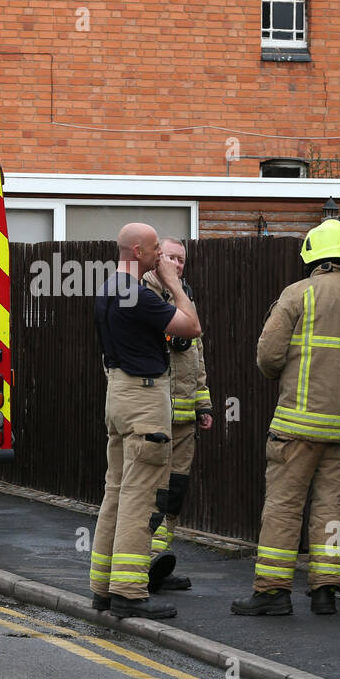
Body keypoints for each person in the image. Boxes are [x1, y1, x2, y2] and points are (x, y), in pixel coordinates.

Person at [232, 219, 340, 617]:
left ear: (311, 253)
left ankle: (272, 592)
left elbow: (268, 356)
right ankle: (325, 591)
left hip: (297, 427)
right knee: (331, 506)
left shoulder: (297, 294)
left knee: (285, 506)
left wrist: (282, 375)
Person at [90, 223, 201, 620]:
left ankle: (103, 588)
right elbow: (192, 326)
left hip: (117, 394)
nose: (160, 257)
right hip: (144, 398)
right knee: (142, 498)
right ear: (137, 251)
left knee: (116, 493)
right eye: (155, 250)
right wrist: (173, 283)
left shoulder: (106, 289)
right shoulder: (137, 295)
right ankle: (130, 592)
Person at [142, 237, 213, 592]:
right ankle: (142, 561)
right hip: (156, 415)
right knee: (152, 491)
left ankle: (160, 562)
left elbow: (195, 359)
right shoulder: (144, 296)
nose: (178, 265)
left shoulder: (185, 299)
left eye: (182, 259)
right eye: (171, 257)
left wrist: (204, 405)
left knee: (175, 492)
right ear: (157, 259)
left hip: (185, 419)